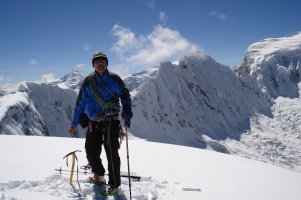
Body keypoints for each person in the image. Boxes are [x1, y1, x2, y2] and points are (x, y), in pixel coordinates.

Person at [68, 51, 133, 195]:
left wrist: (127, 112)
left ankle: (114, 184)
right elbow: (80, 104)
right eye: (97, 62)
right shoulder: (88, 81)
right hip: (93, 122)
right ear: (93, 65)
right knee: (91, 151)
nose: (100, 64)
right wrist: (74, 123)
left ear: (107, 63)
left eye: (102, 61)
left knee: (111, 153)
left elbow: (125, 97)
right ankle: (99, 175)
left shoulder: (115, 79)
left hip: (111, 122)